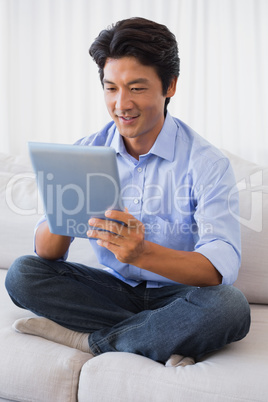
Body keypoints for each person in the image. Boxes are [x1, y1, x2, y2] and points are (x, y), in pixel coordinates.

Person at [5, 17, 250, 367]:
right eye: (111, 88)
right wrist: (66, 210)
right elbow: (47, 253)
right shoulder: (87, 151)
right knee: (23, 274)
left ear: (170, 86)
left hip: (180, 296)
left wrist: (142, 253)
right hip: (113, 292)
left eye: (136, 88)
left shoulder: (206, 163)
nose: (122, 104)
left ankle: (91, 340)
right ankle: (161, 337)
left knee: (230, 307)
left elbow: (218, 268)